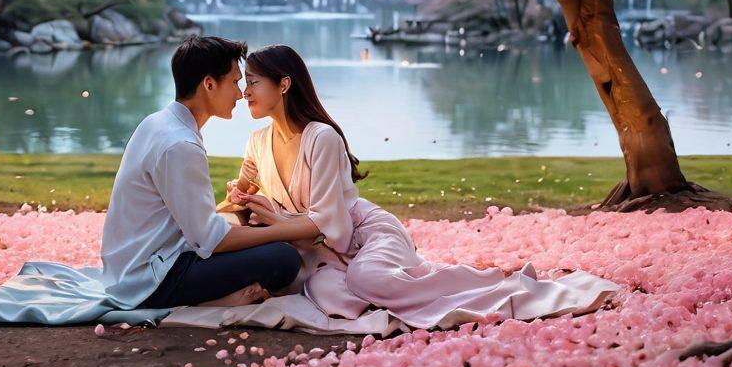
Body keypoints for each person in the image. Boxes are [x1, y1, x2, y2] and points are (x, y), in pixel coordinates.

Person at [227, 44, 618, 329]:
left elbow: (326, 223)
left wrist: (275, 221)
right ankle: (415, 280)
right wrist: (232, 205)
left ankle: (491, 281)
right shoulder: (257, 143)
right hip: (324, 255)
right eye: (244, 83)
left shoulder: (320, 138)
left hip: (363, 235)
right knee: (326, 295)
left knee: (366, 281)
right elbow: (240, 192)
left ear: (284, 84)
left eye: (253, 82)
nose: (245, 92)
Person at [102, 35, 304, 309]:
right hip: (150, 282)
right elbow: (213, 239)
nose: (240, 93)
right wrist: (283, 230)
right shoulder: (180, 145)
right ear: (209, 84)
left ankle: (222, 295)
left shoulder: (158, 122)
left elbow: (198, 228)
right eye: (234, 82)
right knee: (284, 258)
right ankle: (219, 302)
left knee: (254, 235)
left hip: (132, 268)